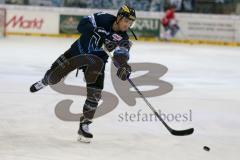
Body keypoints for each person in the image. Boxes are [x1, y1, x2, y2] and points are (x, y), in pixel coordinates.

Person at [30, 4, 136, 143]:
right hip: (77, 53)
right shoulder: (102, 18)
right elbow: (81, 25)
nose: (128, 25)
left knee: (95, 94)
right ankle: (45, 81)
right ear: (119, 17)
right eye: (126, 21)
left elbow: (122, 55)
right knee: (53, 78)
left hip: (96, 63)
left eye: (130, 23)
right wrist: (95, 32)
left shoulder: (124, 38)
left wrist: (123, 66)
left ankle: (84, 125)